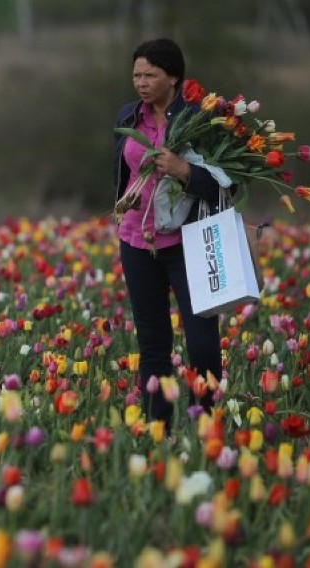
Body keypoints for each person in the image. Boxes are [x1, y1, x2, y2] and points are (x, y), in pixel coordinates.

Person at [113, 38, 224, 431]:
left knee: (203, 345)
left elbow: (227, 187)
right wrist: (123, 201)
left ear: (174, 77)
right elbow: (127, 171)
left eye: (150, 75)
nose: (141, 82)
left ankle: (205, 423)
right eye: (136, 74)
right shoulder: (129, 116)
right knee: (153, 344)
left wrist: (184, 171)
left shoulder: (199, 120)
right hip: (137, 245)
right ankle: (156, 428)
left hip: (189, 245)